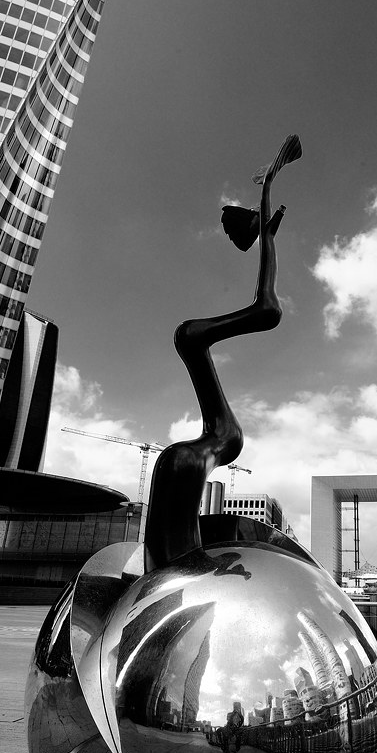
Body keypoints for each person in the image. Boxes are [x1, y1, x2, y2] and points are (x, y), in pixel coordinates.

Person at [143, 136, 302, 573]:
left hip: (218, 429)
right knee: (182, 454)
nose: (234, 233)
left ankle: (175, 577)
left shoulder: (187, 458)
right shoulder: (189, 456)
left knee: (215, 329)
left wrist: (268, 193)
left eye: (239, 228)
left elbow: (266, 277)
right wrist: (267, 204)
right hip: (218, 432)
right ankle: (177, 574)